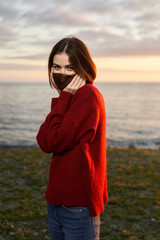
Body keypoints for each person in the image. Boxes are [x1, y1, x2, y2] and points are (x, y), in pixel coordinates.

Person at [36, 36, 108, 240]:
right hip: (57, 199)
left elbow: (54, 141)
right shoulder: (69, 97)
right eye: (56, 67)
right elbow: (43, 140)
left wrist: (65, 97)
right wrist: (64, 98)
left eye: (69, 68)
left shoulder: (87, 95)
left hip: (78, 204)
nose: (61, 73)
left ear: (82, 67)